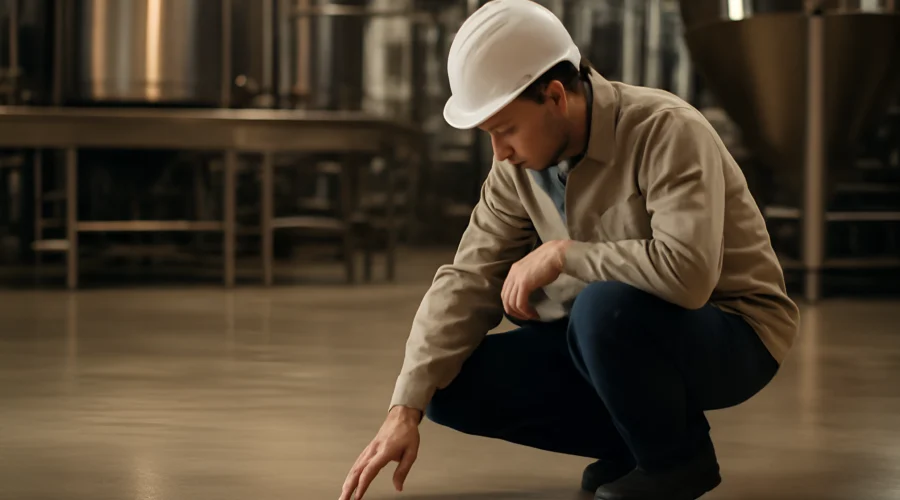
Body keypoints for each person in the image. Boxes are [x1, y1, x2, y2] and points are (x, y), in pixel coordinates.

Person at [340, 1, 801, 499]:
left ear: (556, 96)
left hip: (733, 332)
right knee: (445, 385)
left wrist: (563, 255)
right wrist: (403, 409)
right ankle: (636, 446)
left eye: (507, 129)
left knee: (603, 306)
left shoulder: (664, 129)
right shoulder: (515, 171)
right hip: (615, 331)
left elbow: (688, 276)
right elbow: (468, 278)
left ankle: (676, 461)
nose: (500, 151)